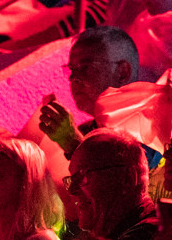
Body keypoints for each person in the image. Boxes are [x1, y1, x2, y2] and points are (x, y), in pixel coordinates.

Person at [37, 26, 141, 161]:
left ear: (122, 73)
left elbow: (120, 179)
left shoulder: (151, 129)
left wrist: (72, 142)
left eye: (86, 67)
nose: (73, 78)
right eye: (72, 69)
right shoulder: (86, 132)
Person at [65, 128, 158, 240]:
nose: (71, 191)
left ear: (128, 178)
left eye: (82, 176)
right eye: (72, 179)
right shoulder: (124, 236)